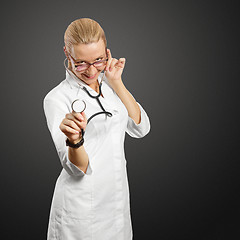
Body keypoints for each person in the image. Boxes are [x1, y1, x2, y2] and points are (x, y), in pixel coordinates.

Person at [43, 18, 150, 240]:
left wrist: (116, 82)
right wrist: (75, 140)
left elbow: (141, 128)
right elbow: (76, 168)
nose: (92, 71)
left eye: (99, 60)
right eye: (80, 63)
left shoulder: (111, 87)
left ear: (107, 52)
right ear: (66, 53)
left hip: (116, 205)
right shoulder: (57, 98)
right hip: (80, 208)